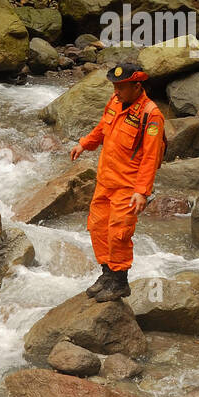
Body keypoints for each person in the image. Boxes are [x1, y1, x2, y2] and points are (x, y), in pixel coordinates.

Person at [70, 63, 166, 303]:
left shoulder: (151, 115)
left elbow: (151, 157)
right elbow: (103, 127)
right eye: (114, 86)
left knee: (118, 234)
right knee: (97, 227)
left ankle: (120, 281)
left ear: (137, 86)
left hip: (128, 185)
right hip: (105, 179)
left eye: (121, 87)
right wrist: (84, 143)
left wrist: (142, 192)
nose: (117, 91)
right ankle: (107, 274)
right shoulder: (114, 102)